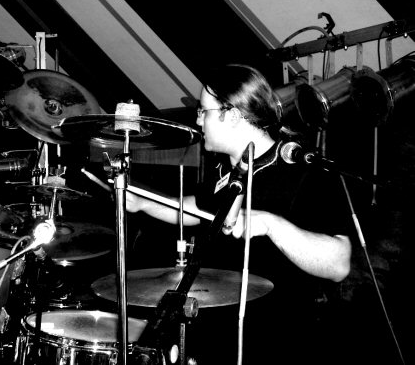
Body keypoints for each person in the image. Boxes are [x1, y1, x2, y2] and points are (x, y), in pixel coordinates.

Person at [125, 64, 353, 365]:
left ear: (231, 115)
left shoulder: (303, 171)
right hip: (219, 334)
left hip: (277, 341)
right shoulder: (226, 170)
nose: (198, 120)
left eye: (203, 111)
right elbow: (200, 210)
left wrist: (271, 224)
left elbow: (338, 263)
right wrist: (143, 202)